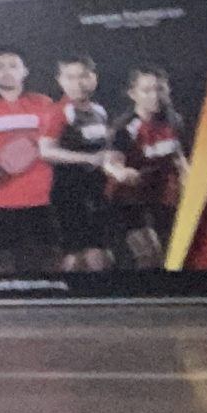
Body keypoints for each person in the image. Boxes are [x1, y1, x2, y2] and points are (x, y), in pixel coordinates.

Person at [0, 48, 60, 273]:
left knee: (47, 264)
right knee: (2, 269)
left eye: (13, 66)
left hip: (42, 199)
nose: (6, 71)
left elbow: (56, 142)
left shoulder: (44, 103)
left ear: (25, 71)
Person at [44, 56, 120, 272]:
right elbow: (46, 151)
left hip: (97, 189)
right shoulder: (58, 111)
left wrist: (113, 159)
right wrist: (89, 159)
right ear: (60, 81)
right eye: (70, 77)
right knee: (80, 254)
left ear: (94, 78)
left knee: (99, 253)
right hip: (70, 190)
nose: (78, 83)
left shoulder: (99, 111)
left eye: (83, 76)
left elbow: (103, 150)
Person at [110, 65, 190, 268]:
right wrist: (121, 172)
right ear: (133, 94)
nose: (155, 96)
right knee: (149, 254)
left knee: (172, 255)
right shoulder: (125, 127)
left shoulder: (174, 121)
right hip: (130, 200)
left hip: (162, 197)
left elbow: (179, 158)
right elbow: (112, 162)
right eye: (146, 90)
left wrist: (189, 185)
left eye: (160, 89)